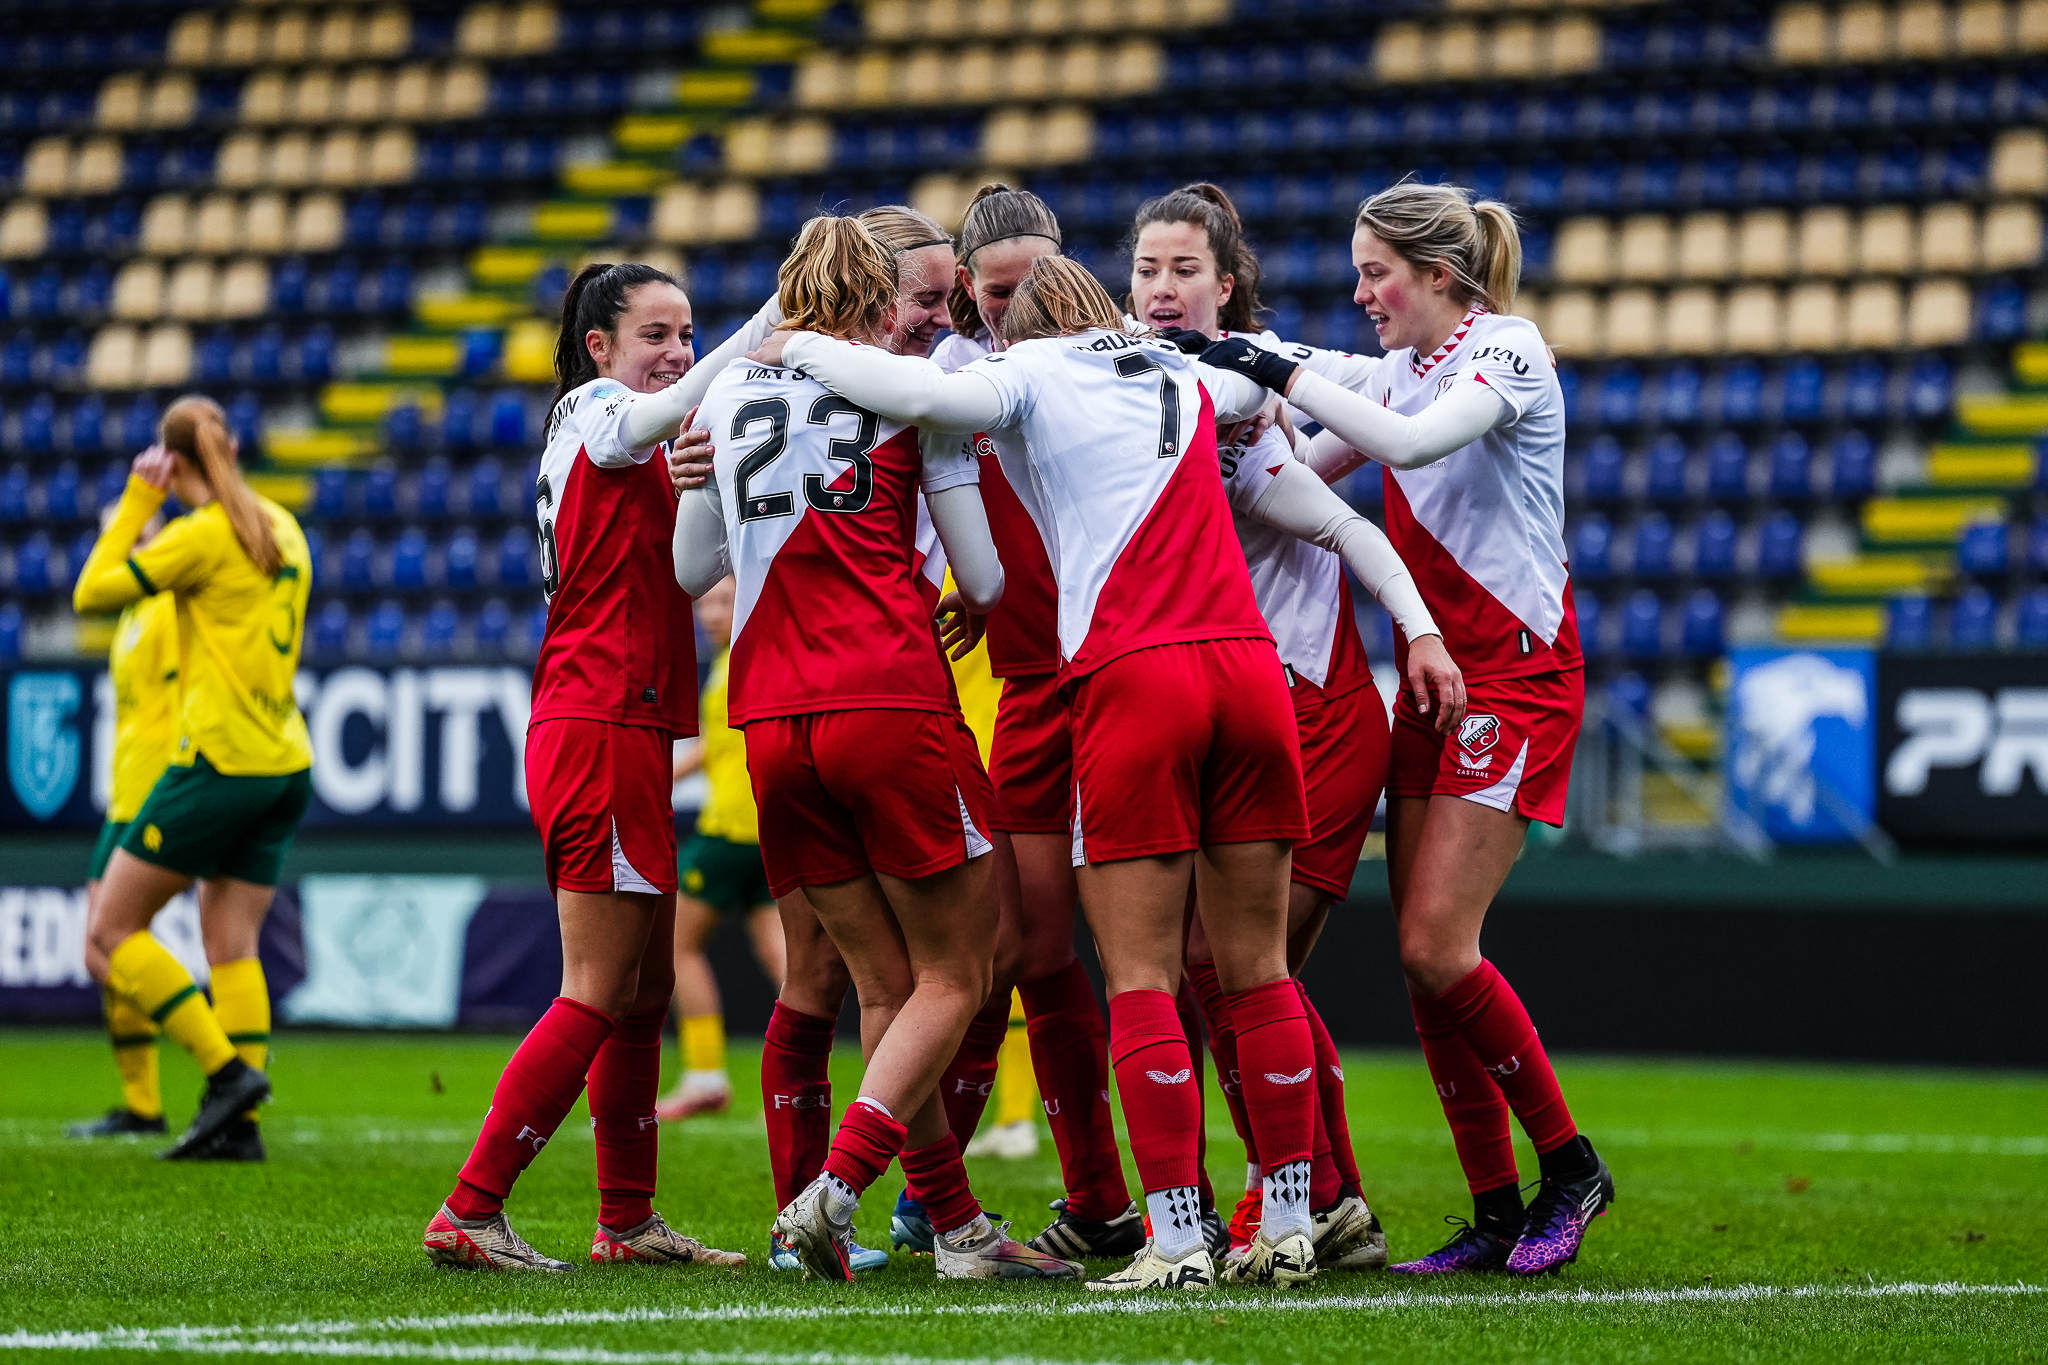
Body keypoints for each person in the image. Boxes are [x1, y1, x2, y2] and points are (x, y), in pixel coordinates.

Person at [754, 256, 1356, 1292]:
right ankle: (1291, 1223)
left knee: (1138, 979)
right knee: (1257, 974)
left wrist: (792, 343)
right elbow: (1296, 395)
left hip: (1133, 676)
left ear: (1025, 328)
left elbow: (920, 396)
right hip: (1251, 672)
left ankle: (1172, 1241)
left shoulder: (1029, 372)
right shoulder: (1187, 376)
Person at [1197, 179, 1613, 1277]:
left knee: (1437, 944)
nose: (1360, 290)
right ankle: (1490, 1208)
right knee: (1420, 960)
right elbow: (1291, 474)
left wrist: (1278, 370)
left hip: (1517, 679)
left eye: (1375, 271)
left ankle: (1568, 1167)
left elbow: (1411, 444)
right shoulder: (1397, 372)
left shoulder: (1507, 351)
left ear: (1438, 274)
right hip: (1440, 683)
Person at [674, 214, 1076, 1284]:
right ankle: (834, 1191)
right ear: (873, 297)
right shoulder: (908, 396)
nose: (933, 325)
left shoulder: (726, 395)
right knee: (968, 963)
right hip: (885, 701)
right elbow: (983, 583)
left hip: (768, 722)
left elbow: (687, 570)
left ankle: (950, 1228)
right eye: (922, 303)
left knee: (885, 985)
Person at [1128, 182, 1462, 1272]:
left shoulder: (1261, 377)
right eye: (1145, 269)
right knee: (1221, 970)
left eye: (1186, 270)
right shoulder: (1127, 387)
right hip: (1213, 714)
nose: (1163, 288)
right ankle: (1327, 1199)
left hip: (1308, 711)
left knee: (1230, 968)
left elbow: (1358, 464)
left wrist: (1416, 632)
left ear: (1225, 285)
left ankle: (1296, 1201)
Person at [422, 262, 744, 1273]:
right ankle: (471, 1209)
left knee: (643, 988)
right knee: (597, 987)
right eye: (656, 332)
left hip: (631, 727)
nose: (679, 351)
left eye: (688, 332)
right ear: (599, 346)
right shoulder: (595, 409)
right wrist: (775, 327)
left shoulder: (637, 437)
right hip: (599, 722)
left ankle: (628, 1221)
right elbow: (652, 418)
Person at [925, 186, 1144, 1262]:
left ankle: (1280, 1196)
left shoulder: (1129, 362)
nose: (1015, 309)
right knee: (1024, 947)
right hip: (1019, 686)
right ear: (968, 287)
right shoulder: (954, 381)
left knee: (1164, 953)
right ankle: (1089, 1199)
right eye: (997, 290)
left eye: (1032, 286)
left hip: (1122, 676)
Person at [73, 395, 313, 1163]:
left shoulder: (203, 536)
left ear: (174, 463)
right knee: (231, 941)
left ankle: (226, 1075)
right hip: (286, 759)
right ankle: (237, 1131)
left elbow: (91, 591)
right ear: (234, 446)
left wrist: (141, 498)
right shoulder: (283, 525)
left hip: (220, 759)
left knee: (111, 932)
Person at [659, 575, 788, 1123]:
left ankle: (706, 1074)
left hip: (729, 831)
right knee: (784, 959)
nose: (712, 614)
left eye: (725, 602)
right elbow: (717, 747)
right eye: (706, 604)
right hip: (771, 832)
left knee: (671, 946)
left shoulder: (742, 662)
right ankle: (806, 1075)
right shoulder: (746, 660)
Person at [67, 507, 178, 1141]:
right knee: (105, 945)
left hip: (153, 790)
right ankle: (143, 1104)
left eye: (138, 534)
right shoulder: (135, 612)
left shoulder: (165, 608)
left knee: (105, 942)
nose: (128, 548)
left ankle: (216, 1050)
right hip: (124, 794)